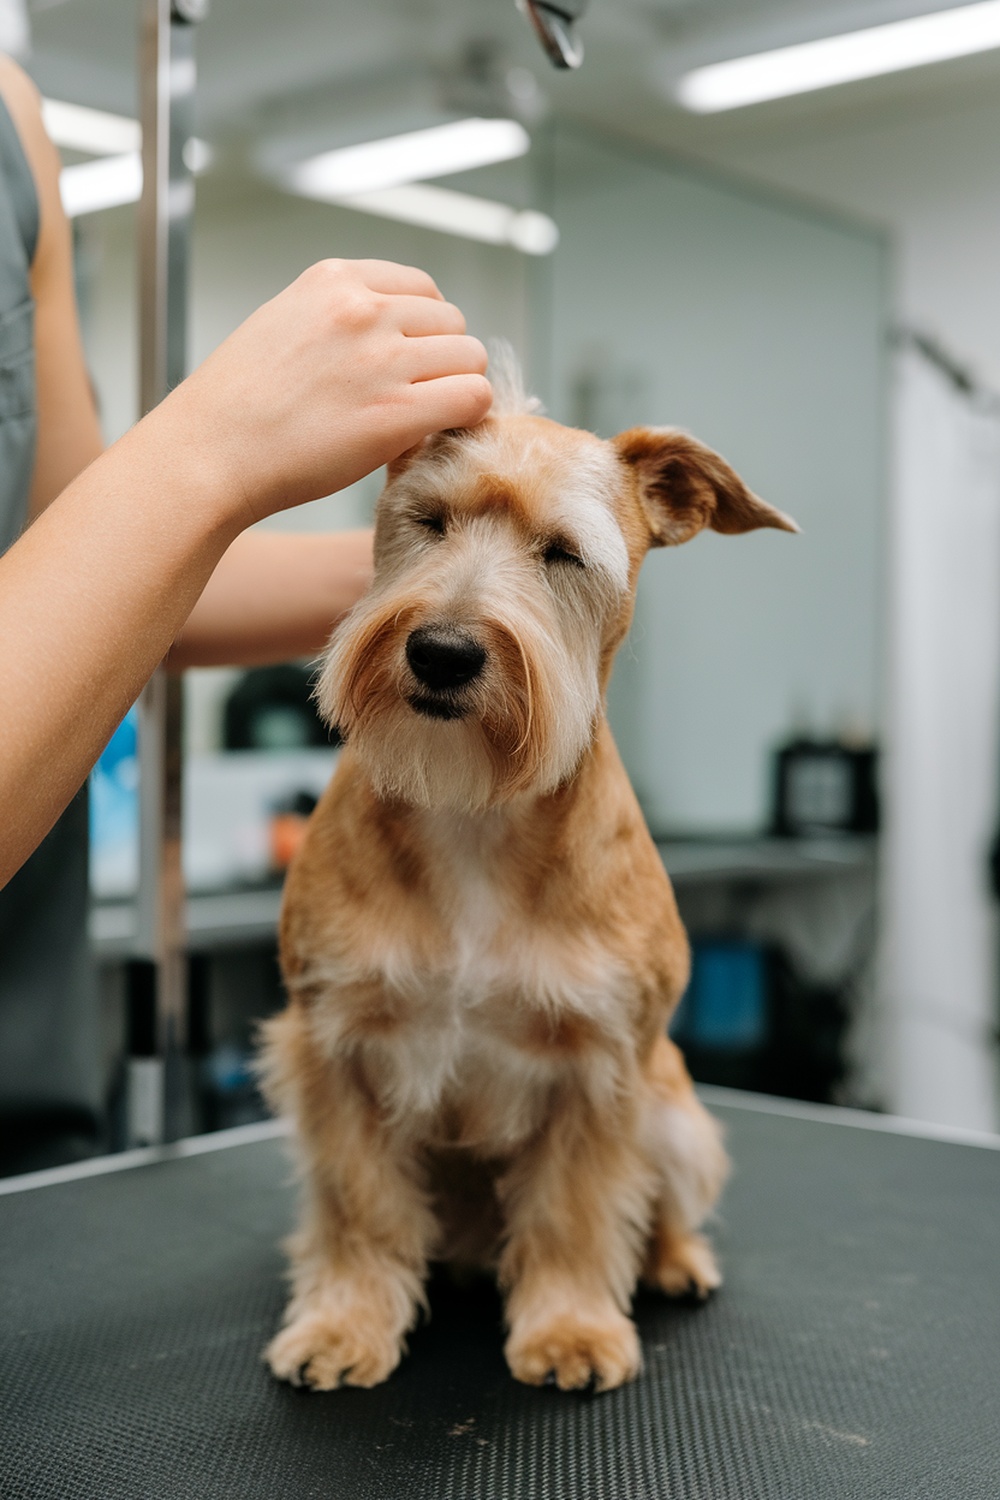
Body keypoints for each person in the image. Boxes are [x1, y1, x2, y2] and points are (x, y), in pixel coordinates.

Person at [0, 57, 491, 1169]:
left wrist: (485, 570)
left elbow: (116, 585)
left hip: (24, 1100)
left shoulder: (11, 120)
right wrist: (217, 442)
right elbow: (154, 522)